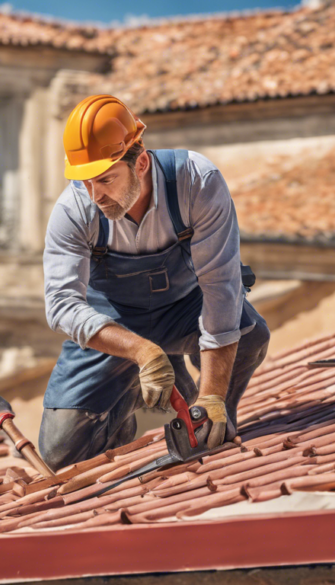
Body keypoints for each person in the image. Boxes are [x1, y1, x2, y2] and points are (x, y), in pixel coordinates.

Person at [39, 94, 271, 470]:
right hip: (114, 325)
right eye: (84, 183)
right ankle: (131, 392)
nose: (95, 196)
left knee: (250, 335)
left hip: (185, 310)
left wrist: (211, 396)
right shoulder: (73, 210)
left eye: (105, 180)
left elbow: (220, 288)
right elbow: (62, 306)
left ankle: (210, 415)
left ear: (141, 163)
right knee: (59, 454)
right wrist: (143, 353)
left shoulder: (197, 182)